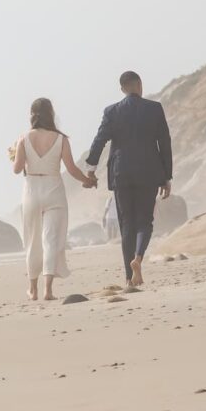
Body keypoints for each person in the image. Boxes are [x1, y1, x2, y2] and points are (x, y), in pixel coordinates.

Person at [84, 71, 173, 289]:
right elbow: (164, 143)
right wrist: (166, 176)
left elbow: (100, 140)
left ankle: (128, 278)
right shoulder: (154, 109)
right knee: (145, 221)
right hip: (148, 172)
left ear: (123, 89)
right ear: (139, 85)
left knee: (127, 224)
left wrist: (91, 169)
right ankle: (139, 258)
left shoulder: (112, 111)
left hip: (121, 173)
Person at [11, 98, 94, 301]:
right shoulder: (61, 139)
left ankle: (33, 290)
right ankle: (48, 290)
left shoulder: (23, 138)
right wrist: (87, 181)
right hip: (54, 190)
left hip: (31, 191)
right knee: (51, 240)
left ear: (32, 115)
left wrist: (14, 156)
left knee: (32, 240)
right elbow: (71, 168)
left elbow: (17, 169)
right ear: (51, 114)